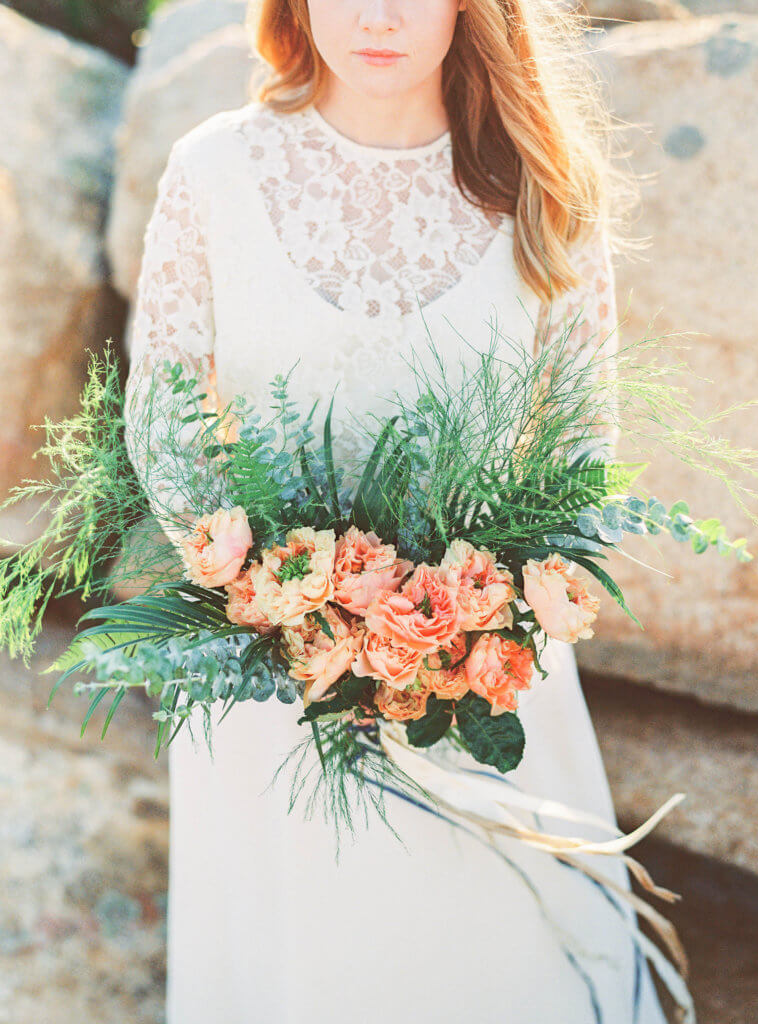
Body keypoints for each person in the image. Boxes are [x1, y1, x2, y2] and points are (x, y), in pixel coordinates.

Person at [124, 1, 671, 1021]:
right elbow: (162, 423)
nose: (377, 15)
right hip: (271, 682)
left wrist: (474, 623)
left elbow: (584, 445)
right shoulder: (214, 172)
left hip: (486, 674)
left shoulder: (542, 185)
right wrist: (288, 605)